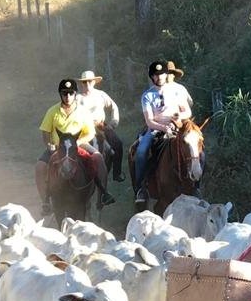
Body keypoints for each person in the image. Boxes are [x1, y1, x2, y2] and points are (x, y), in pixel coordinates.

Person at [37, 79, 114, 214]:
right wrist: (49, 144)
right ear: (60, 94)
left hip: (79, 144)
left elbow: (90, 132)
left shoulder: (83, 111)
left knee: (98, 158)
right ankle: (45, 200)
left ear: (75, 94)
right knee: (40, 166)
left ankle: (103, 193)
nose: (67, 97)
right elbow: (45, 131)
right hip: (58, 146)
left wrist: (76, 143)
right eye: (64, 93)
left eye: (70, 93)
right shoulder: (52, 111)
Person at [133, 59, 193, 204]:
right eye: (155, 74)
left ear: (166, 75)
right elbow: (149, 121)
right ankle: (141, 187)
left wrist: (179, 116)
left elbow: (188, 112)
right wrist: (163, 127)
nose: (159, 77)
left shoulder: (176, 91)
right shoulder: (147, 96)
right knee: (141, 152)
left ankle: (195, 182)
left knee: (195, 147)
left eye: (162, 74)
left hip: (177, 127)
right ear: (152, 77)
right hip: (155, 129)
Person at [74, 70, 124, 182]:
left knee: (118, 144)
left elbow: (113, 107)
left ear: (94, 82)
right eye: (84, 82)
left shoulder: (101, 95)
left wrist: (113, 122)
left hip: (101, 126)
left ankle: (117, 173)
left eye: (89, 82)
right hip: (84, 129)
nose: (87, 84)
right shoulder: (77, 98)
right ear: (81, 83)